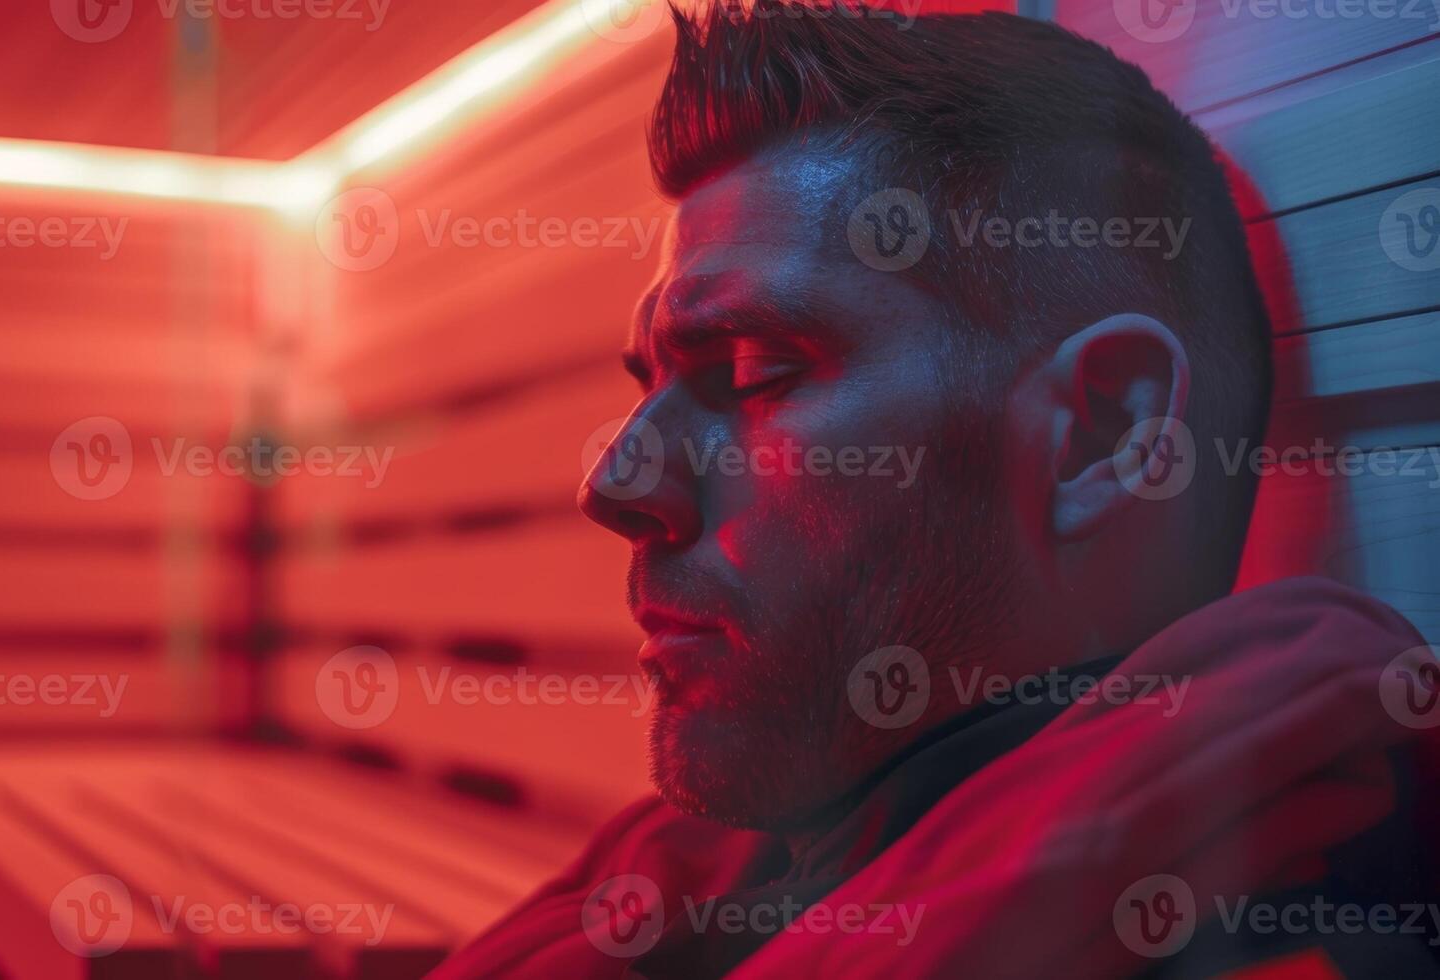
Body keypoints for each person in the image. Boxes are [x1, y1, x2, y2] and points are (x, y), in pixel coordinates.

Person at [430, 3, 1440, 977]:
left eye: (750, 372)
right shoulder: (691, 893)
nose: (613, 483)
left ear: (1103, 435)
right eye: (648, 387)